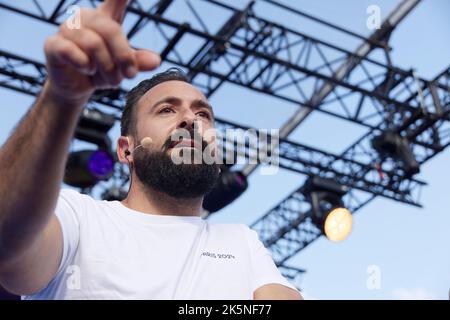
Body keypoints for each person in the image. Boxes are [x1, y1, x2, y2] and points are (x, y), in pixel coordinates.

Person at [0, 0, 302, 300]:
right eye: (167, 110)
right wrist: (62, 97)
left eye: (203, 114)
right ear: (125, 149)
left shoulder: (241, 243)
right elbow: (6, 242)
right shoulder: (79, 218)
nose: (189, 120)